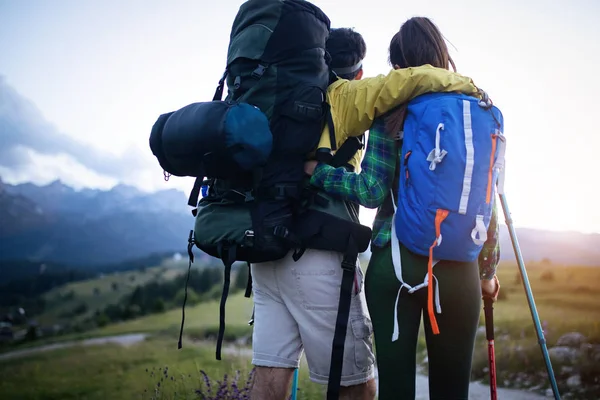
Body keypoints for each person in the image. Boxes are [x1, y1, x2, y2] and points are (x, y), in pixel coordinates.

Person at [305, 17, 501, 400]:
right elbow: (486, 203)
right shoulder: (475, 113)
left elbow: (372, 190)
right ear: (442, 58)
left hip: (394, 265)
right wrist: (488, 273)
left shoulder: (392, 110)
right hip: (459, 267)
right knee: (452, 391)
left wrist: (320, 173)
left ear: (398, 68)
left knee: (395, 391)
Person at [250, 27, 378, 400]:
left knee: (271, 372)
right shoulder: (347, 98)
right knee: (355, 383)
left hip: (267, 249)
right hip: (320, 254)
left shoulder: (280, 97)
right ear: (358, 72)